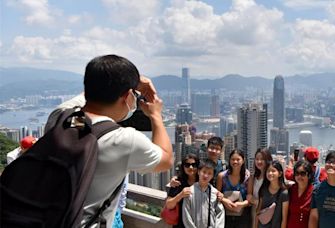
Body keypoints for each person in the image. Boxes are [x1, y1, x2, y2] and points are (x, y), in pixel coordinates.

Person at [44, 54, 173, 227]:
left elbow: (90, 92)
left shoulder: (61, 116)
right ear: (127, 96)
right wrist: (156, 115)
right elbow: (166, 159)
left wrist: (121, 80)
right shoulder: (122, 140)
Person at [182, 159, 225, 228]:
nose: (206, 175)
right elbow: (186, 214)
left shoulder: (215, 193)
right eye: (204, 172)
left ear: (213, 176)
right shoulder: (190, 192)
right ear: (199, 172)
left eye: (209, 173)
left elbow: (220, 214)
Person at [216, 149, 251, 228]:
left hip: (243, 216)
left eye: (238, 159)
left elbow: (249, 197)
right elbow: (217, 194)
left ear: (243, 160)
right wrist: (225, 201)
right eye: (233, 159)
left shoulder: (248, 177)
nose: (235, 162)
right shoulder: (222, 176)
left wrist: (241, 204)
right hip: (224, 215)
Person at [164, 153, 199, 228]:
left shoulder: (202, 182)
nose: (191, 167)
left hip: (198, 223)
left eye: (194, 165)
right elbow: (169, 205)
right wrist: (180, 195)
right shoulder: (177, 182)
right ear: (183, 167)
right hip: (180, 224)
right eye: (187, 165)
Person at [257, 160, 289, 228]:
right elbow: (258, 212)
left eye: (273, 171)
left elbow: (284, 218)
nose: (270, 173)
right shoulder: (263, 190)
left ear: (280, 174)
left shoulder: (284, 193)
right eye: (268, 171)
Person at [247, 148, 273, 228]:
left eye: (262, 159)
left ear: (268, 160)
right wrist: (257, 202)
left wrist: (255, 201)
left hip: (267, 213)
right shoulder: (253, 177)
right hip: (254, 212)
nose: (259, 162)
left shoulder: (270, 177)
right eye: (257, 159)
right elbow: (249, 196)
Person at [287, 160, 314, 228]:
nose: (299, 176)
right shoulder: (290, 190)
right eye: (297, 173)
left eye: (303, 173)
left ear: (309, 175)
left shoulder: (314, 193)